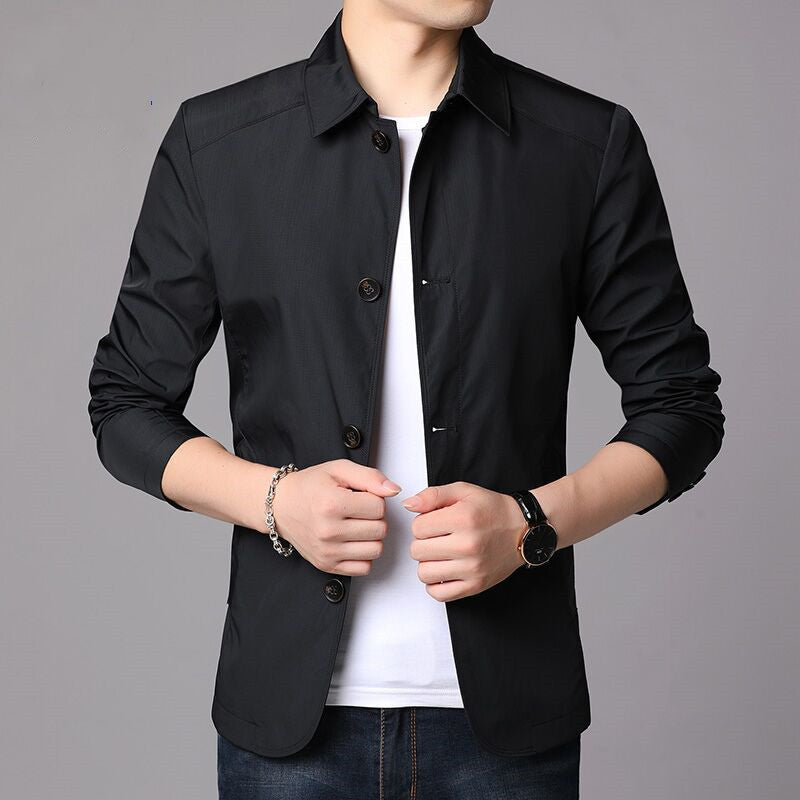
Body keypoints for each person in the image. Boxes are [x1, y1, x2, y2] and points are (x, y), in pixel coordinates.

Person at [87, 1, 725, 797]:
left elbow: (681, 405)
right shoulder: (220, 143)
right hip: (289, 732)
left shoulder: (583, 145)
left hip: (508, 732)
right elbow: (125, 401)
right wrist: (276, 501)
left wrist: (531, 525)